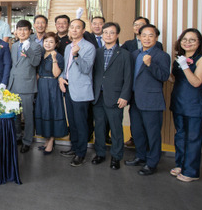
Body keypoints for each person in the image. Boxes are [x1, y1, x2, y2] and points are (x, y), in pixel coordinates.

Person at [125, 24, 170, 176]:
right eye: (144, 35)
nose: (147, 38)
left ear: (156, 38)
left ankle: (152, 163)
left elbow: (164, 76)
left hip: (151, 100)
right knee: (137, 131)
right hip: (135, 99)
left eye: (150, 35)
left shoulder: (162, 55)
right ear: (139, 37)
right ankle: (140, 156)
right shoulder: (134, 54)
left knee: (153, 133)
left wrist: (150, 65)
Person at [170, 28, 202, 182]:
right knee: (180, 135)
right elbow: (174, 79)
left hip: (194, 103)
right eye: (184, 39)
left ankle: (191, 172)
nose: (187, 42)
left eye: (192, 40)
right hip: (179, 101)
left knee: (193, 138)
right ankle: (181, 165)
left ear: (199, 42)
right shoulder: (179, 57)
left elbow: (196, 82)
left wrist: (185, 66)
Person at [91, 22, 133, 170]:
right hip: (98, 96)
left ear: (117, 35)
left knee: (116, 128)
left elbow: (128, 77)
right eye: (106, 32)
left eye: (112, 32)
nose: (108, 35)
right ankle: (100, 153)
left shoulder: (125, 54)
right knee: (99, 127)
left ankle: (116, 156)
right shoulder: (97, 52)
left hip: (115, 97)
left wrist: (124, 96)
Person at [58, 19, 96, 167]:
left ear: (83, 30)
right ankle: (74, 148)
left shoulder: (88, 47)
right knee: (72, 122)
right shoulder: (68, 47)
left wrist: (76, 56)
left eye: (77, 27)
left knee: (81, 123)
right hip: (68, 88)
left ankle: (81, 153)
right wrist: (61, 78)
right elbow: (66, 69)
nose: (74, 30)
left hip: (81, 90)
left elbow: (86, 69)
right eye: (72, 27)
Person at [8, 20, 43, 153]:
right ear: (16, 31)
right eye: (19, 29)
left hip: (27, 85)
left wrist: (28, 50)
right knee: (15, 115)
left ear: (30, 31)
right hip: (13, 85)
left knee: (28, 115)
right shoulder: (14, 45)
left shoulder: (35, 46)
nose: (22, 32)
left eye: (25, 30)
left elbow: (35, 63)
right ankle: (17, 137)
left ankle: (27, 140)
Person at [35, 32, 67, 155]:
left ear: (56, 44)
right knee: (43, 111)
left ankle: (51, 141)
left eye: (51, 42)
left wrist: (53, 59)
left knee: (52, 111)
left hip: (52, 86)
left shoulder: (58, 56)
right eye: (46, 41)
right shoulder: (42, 54)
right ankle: (47, 139)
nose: (48, 44)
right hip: (41, 86)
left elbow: (56, 74)